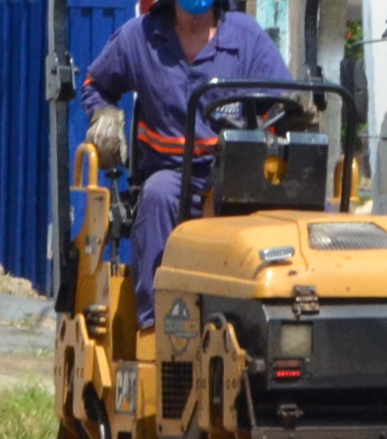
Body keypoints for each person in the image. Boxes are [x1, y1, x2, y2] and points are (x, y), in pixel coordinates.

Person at [82, 0, 292, 328]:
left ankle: (276, 319)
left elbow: (284, 99)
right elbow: (95, 85)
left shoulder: (247, 38)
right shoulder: (140, 37)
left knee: (305, 215)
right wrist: (104, 115)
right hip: (171, 174)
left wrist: (298, 107)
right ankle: (156, 327)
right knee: (158, 196)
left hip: (235, 177)